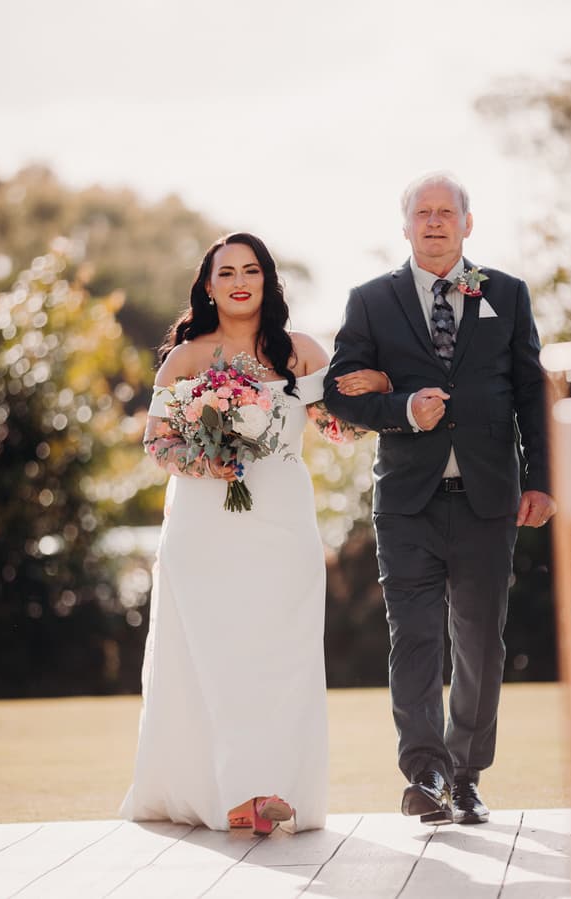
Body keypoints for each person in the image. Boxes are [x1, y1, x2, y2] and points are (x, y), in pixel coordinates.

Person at [323, 172, 555, 826]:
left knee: (481, 644)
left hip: (488, 498)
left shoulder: (505, 294)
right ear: (405, 227)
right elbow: (340, 392)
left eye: (444, 211)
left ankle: (467, 773)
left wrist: (541, 479)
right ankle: (423, 772)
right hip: (406, 503)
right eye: (420, 213)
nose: (432, 222)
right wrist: (402, 408)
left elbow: (532, 395)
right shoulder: (371, 300)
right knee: (415, 639)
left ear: (466, 223)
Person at [121, 232, 344, 834]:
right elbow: (157, 441)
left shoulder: (301, 354)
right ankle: (238, 792)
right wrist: (207, 462)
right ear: (209, 286)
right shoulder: (187, 357)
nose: (240, 280)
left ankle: (275, 787)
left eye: (252, 270)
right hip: (204, 529)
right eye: (227, 272)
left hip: (284, 524)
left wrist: (374, 400)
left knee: (283, 656)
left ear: (268, 281)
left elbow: (336, 429)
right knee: (218, 659)